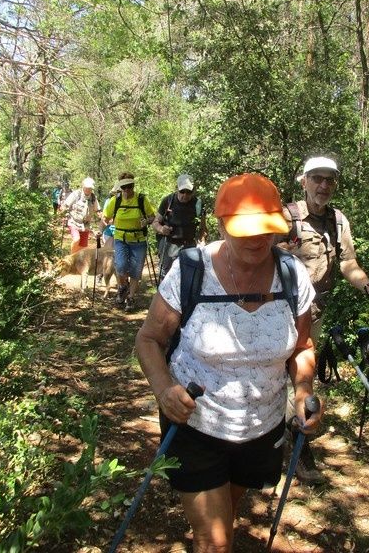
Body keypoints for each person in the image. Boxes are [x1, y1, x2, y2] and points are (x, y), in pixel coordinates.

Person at [135, 173, 323, 552]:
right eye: (245, 230)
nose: (258, 239)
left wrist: (303, 390)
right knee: (216, 541)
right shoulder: (192, 271)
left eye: (265, 229)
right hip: (195, 425)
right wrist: (164, 389)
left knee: (228, 515)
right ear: (221, 224)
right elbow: (149, 339)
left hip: (261, 428)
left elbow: (302, 346)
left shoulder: (292, 275)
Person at [280, 155, 369, 484]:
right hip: (279, 312)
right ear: (304, 181)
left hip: (314, 312)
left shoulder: (338, 221)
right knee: (274, 375)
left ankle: (297, 444)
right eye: (317, 178)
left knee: (302, 376)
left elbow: (347, 263)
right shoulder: (286, 216)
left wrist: (368, 286)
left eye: (330, 180)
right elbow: (258, 254)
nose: (324, 185)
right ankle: (272, 439)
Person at [102, 172, 156, 311]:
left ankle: (130, 298)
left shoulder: (141, 199)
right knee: (120, 266)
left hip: (138, 240)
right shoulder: (115, 200)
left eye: (130, 186)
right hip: (121, 239)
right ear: (120, 187)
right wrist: (101, 229)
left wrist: (146, 221)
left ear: (133, 185)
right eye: (124, 187)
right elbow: (105, 218)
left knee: (136, 271)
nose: (127, 190)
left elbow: (152, 217)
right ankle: (122, 286)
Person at [151, 173, 208, 281]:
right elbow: (155, 222)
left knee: (189, 275)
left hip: (189, 244)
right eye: (182, 191)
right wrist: (162, 229)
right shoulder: (168, 201)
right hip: (169, 243)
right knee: (166, 275)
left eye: (188, 192)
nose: (185, 195)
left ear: (193, 190)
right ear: (177, 189)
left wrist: (202, 241)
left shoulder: (198, 204)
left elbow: (203, 227)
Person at [60, 177, 99, 254]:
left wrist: (103, 219)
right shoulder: (76, 194)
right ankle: (72, 258)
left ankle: (79, 259)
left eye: (90, 188)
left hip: (86, 225)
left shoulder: (93, 198)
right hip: (74, 222)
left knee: (83, 247)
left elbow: (98, 210)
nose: (88, 189)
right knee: (76, 239)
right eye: (87, 187)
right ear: (83, 186)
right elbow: (65, 205)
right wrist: (63, 214)